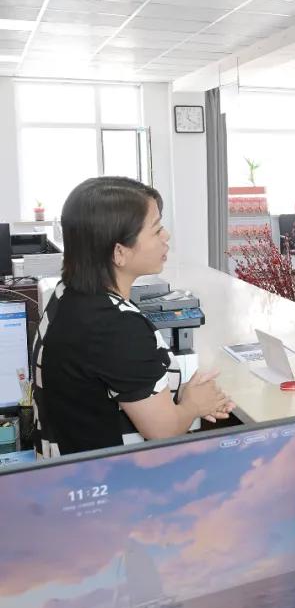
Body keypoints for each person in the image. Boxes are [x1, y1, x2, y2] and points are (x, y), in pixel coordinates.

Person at [32, 177, 233, 456]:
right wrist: (193, 406)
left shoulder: (67, 295)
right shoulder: (115, 326)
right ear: (119, 252)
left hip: (68, 470)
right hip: (111, 478)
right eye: (156, 230)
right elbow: (163, 431)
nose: (166, 236)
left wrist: (183, 396)